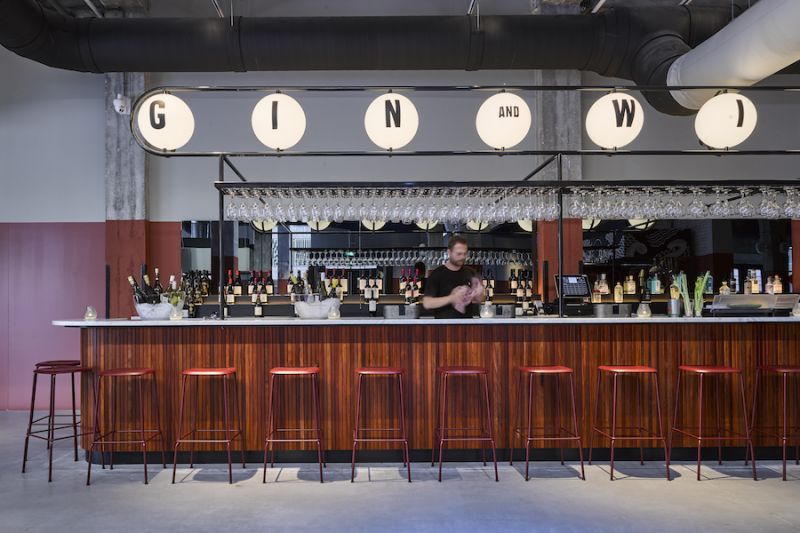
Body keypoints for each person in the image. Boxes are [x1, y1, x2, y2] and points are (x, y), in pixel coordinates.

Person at [422, 235, 484, 319]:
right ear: (449, 252)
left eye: (465, 254)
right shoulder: (437, 274)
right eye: (459, 254)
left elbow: (480, 299)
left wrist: (478, 293)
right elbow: (427, 303)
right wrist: (452, 298)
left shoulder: (471, 272)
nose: (462, 257)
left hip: (467, 323)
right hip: (445, 324)